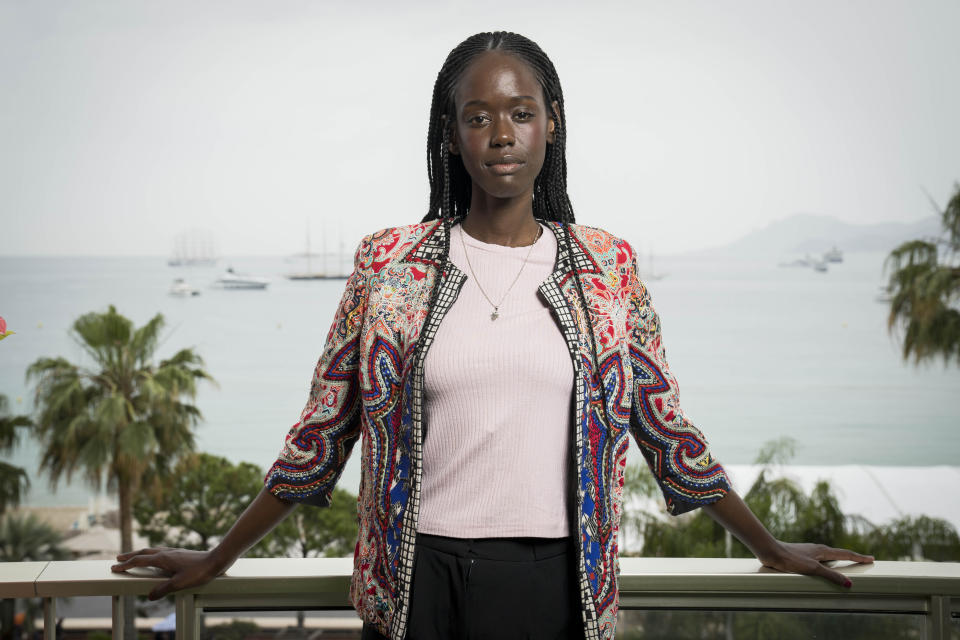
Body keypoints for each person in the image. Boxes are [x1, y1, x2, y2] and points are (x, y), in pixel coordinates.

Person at [112, 31, 873, 640]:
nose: (501, 135)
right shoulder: (390, 264)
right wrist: (220, 555)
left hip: (556, 585)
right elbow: (321, 431)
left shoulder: (606, 267)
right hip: (414, 585)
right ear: (452, 135)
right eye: (478, 117)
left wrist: (768, 545)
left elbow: (662, 425)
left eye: (520, 112)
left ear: (552, 123)